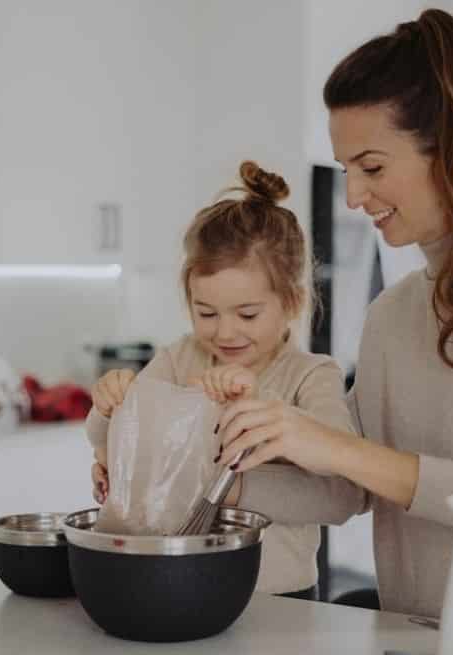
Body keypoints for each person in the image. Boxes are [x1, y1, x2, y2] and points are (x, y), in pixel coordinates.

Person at [215, 9, 453, 620]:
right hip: (411, 637)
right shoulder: (392, 313)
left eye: (372, 167)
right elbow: (346, 488)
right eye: (348, 169)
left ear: (452, 147)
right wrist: (204, 477)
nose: (354, 196)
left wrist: (327, 443)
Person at [86, 160, 365, 600]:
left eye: (248, 314)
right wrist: (109, 405)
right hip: (180, 584)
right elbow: (111, 436)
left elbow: (337, 496)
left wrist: (232, 473)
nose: (225, 332)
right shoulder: (181, 358)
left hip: (279, 600)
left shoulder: (310, 376)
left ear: (291, 301)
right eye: (206, 313)